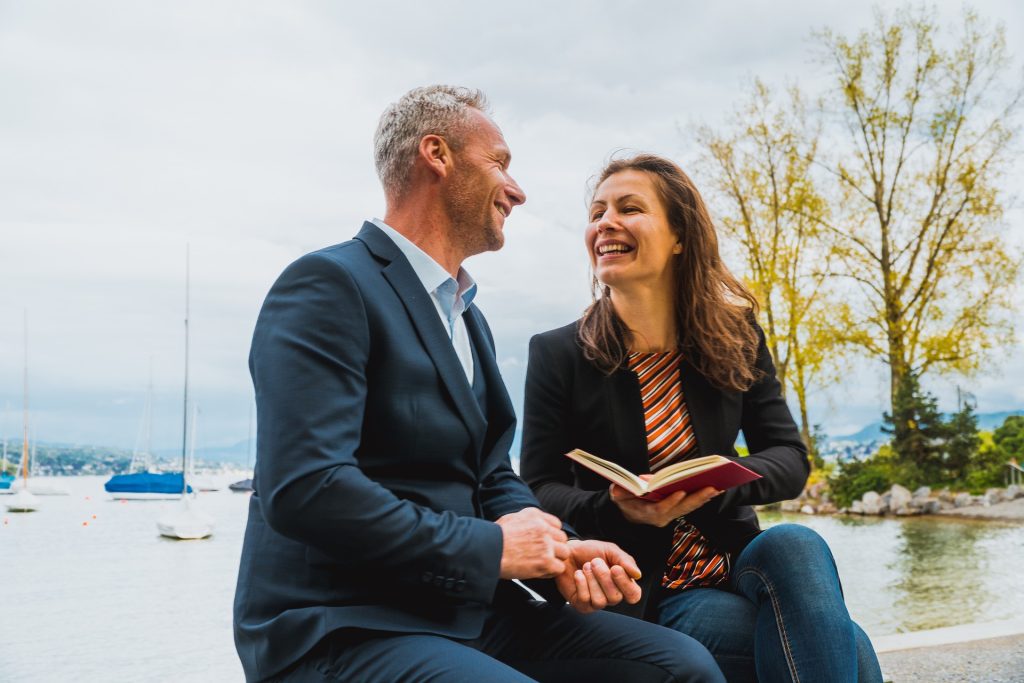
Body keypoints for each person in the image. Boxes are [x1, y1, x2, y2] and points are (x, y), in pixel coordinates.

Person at [233, 88, 724, 683]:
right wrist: (491, 551)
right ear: (436, 155)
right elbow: (307, 488)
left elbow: (492, 478)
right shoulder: (328, 285)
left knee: (683, 666)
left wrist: (561, 552)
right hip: (344, 624)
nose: (516, 191)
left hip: (471, 614)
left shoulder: (468, 316)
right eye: (500, 163)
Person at [520, 153, 884, 682]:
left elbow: (789, 459)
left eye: (629, 208)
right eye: (597, 211)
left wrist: (715, 483)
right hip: (647, 586)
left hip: (738, 564)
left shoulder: (735, 337)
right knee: (849, 647)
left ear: (679, 237)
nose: (605, 222)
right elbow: (539, 485)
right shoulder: (558, 353)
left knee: (797, 543)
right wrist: (618, 509)